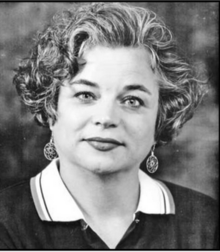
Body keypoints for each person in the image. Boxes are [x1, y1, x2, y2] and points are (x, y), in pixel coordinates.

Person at [0, 2, 218, 249]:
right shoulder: (5, 223)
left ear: (161, 118)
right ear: (51, 108)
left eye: (132, 100)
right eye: (85, 95)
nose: (106, 117)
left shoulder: (206, 223)